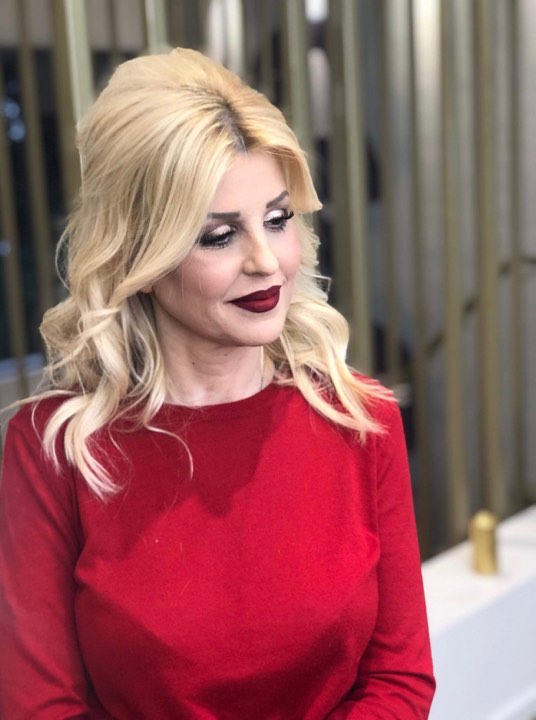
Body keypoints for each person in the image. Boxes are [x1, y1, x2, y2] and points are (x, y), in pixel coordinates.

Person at [0, 47, 435, 719]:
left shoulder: (361, 418)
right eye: (218, 236)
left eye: (277, 220)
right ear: (141, 256)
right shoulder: (54, 450)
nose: (266, 262)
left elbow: (398, 679)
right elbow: (41, 707)